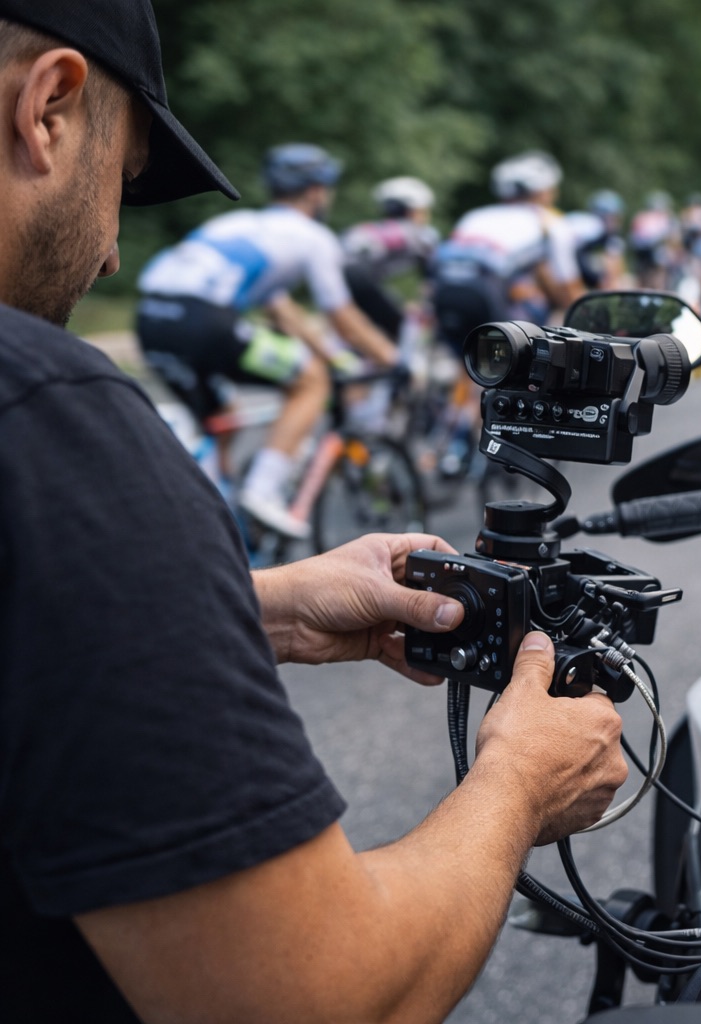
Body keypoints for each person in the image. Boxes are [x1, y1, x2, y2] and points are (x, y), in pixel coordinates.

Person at [0, 5, 627, 1022]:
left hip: (185, 325)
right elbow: (317, 1000)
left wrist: (256, 607)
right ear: (50, 107)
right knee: (305, 388)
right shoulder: (45, 417)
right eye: (121, 185)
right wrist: (518, 785)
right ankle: (261, 483)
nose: (110, 249)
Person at [136, 143, 403, 538]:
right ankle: (262, 493)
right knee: (312, 380)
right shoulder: (313, 237)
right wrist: (393, 357)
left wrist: (324, 351)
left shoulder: (241, 222)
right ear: (315, 191)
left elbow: (284, 313)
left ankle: (216, 513)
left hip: (151, 316)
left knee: (219, 414)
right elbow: (344, 318)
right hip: (204, 319)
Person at [432, 150, 584, 346]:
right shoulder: (549, 221)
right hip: (485, 292)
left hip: (444, 290)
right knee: (513, 362)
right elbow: (569, 288)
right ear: (542, 192)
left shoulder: (475, 215)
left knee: (470, 361)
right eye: (553, 189)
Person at [341, 175, 440, 343]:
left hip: (342, 279)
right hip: (359, 278)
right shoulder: (421, 234)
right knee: (402, 330)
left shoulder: (364, 229)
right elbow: (433, 278)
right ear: (413, 211)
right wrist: (427, 308)